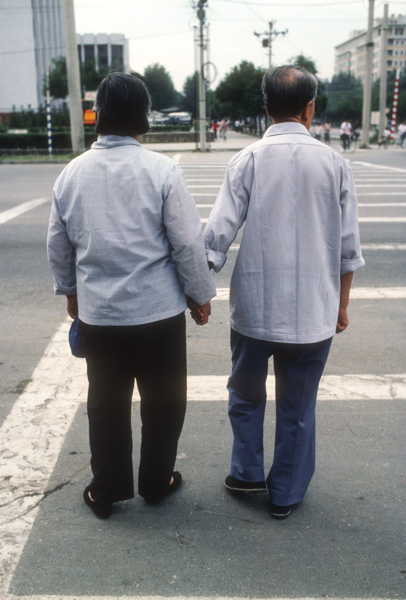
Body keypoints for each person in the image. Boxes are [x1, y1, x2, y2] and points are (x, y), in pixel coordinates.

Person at [47, 73, 216, 519]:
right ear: (144, 117)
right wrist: (199, 295)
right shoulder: (162, 170)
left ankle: (106, 490)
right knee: (164, 402)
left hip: (101, 315)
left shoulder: (72, 173)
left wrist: (70, 293)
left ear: (98, 115)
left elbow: (58, 244)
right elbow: (186, 243)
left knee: (106, 404)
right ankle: (157, 481)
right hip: (157, 314)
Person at [204, 65, 364, 520]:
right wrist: (342, 304)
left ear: (266, 106)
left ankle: (247, 472)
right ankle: (286, 494)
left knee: (246, 393)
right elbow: (348, 248)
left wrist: (199, 291)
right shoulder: (335, 163)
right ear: (310, 108)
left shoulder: (248, 160)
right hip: (314, 310)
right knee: (298, 407)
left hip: (255, 309)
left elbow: (217, 234)